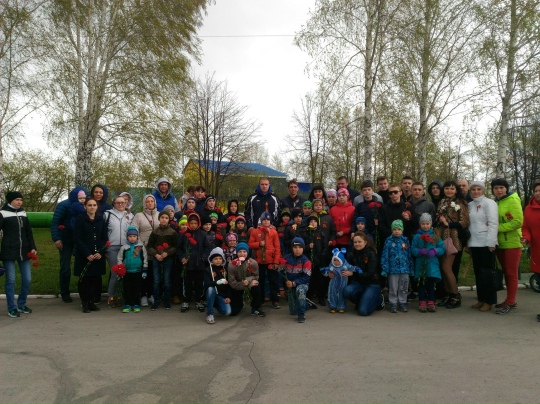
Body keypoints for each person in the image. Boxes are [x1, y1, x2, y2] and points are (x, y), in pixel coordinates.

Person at [1, 192, 37, 318]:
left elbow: (28, 232)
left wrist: (33, 247)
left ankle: (21, 304)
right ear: (10, 200)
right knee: (11, 280)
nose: (19, 202)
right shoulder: (3, 213)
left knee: (27, 279)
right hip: (8, 251)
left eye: (21, 200)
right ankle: (11, 308)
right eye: (17, 199)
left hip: (24, 251)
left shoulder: (23, 213)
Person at [51, 186, 89, 303]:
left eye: (84, 198)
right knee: (65, 267)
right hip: (66, 240)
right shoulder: (64, 205)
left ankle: (85, 292)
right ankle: (64, 292)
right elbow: (55, 222)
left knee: (83, 266)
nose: (82, 200)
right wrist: (57, 238)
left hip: (80, 240)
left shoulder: (87, 206)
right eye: (80, 197)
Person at [435, 180, 470, 309]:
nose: (449, 191)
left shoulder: (461, 202)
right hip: (441, 237)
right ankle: (448, 294)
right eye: (447, 188)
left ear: (456, 190)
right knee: (442, 268)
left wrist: (448, 223)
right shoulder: (442, 202)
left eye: (452, 188)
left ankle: (455, 295)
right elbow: (438, 216)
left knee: (447, 267)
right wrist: (439, 219)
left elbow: (465, 222)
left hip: (453, 238)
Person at [491, 178, 523, 314]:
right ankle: (510, 300)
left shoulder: (513, 200)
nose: (499, 190)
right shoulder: (496, 202)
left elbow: (518, 221)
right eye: (496, 188)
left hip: (513, 242)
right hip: (501, 243)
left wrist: (497, 228)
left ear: (506, 188)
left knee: (511, 273)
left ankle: (510, 301)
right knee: (506, 272)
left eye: (501, 187)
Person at [73, 197, 109, 313]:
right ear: (85, 207)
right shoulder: (80, 219)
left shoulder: (100, 219)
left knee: (95, 279)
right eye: (89, 205)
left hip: (97, 255)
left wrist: (100, 252)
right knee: (85, 279)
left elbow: (104, 238)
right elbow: (78, 238)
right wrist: (87, 253)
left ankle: (92, 302)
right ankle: (85, 302)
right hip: (84, 255)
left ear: (97, 207)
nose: (92, 207)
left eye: (94, 205)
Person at [467, 181, 498, 312]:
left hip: (486, 243)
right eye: (473, 189)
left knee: (487, 273)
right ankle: (481, 299)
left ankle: (489, 301)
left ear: (483, 190)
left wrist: (491, 242)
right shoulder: (470, 205)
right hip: (474, 242)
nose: (476, 192)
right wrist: (468, 243)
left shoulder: (489, 203)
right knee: (478, 272)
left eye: (478, 189)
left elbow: (493, 223)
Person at [344, 232, 384, 316]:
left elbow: (370, 273)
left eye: (359, 242)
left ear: (365, 242)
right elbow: (345, 267)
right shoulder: (352, 253)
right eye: (355, 242)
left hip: (372, 283)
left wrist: (353, 274)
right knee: (347, 291)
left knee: (363, 311)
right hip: (358, 283)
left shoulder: (371, 254)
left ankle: (379, 300)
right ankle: (362, 301)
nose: (357, 244)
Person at [411, 213, 445, 313]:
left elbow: (442, 248)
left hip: (432, 264)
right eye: (423, 224)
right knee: (421, 284)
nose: (425, 226)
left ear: (430, 224)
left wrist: (435, 251)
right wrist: (419, 251)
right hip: (421, 264)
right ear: (420, 224)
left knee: (430, 284)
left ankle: (431, 301)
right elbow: (413, 249)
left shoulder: (435, 235)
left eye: (427, 223)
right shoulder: (417, 236)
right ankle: (422, 301)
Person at [104, 195, 133, 308]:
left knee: (126, 272)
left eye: (123, 202)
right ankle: (111, 296)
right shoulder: (108, 215)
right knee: (115, 273)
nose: (120, 204)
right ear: (114, 204)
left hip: (126, 247)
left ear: (126, 204)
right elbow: (102, 231)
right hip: (112, 247)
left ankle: (122, 296)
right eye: (117, 202)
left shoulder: (130, 215)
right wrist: (104, 248)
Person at [178, 212, 210, 313]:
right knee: (187, 283)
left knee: (199, 284)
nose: (193, 225)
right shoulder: (184, 235)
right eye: (191, 223)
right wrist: (182, 258)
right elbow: (179, 248)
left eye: (195, 223)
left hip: (199, 264)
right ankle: (186, 301)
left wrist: (203, 257)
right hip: (187, 264)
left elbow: (207, 248)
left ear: (198, 223)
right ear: (188, 223)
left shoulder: (202, 234)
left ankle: (198, 301)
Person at [248, 211, 281, 308]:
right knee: (260, 280)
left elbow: (277, 247)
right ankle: (260, 299)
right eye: (264, 220)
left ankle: (275, 300)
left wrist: (276, 261)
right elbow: (250, 244)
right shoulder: (255, 231)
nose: (266, 221)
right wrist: (258, 244)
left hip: (271, 260)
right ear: (261, 221)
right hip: (259, 261)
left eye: (268, 220)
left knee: (273, 281)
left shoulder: (273, 232)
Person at [147, 210, 178, 310]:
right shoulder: (155, 232)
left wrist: (167, 253)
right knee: (156, 280)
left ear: (169, 219)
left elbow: (175, 246)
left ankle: (166, 300)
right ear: (159, 219)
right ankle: (156, 300)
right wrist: (156, 254)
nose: (164, 219)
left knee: (167, 280)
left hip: (168, 258)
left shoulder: (172, 232)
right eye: (162, 217)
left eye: (166, 218)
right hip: (156, 258)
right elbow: (149, 246)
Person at [131, 195, 159, 307]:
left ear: (155, 203)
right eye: (147, 201)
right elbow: (134, 231)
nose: (150, 203)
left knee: (153, 273)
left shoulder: (159, 215)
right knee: (143, 273)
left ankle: (151, 294)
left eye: (152, 201)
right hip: (142, 248)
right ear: (144, 203)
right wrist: (139, 245)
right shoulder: (139, 216)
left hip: (156, 249)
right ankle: (143, 295)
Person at [381, 220, 413, 313]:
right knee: (393, 287)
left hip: (404, 269)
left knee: (404, 287)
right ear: (392, 230)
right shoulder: (388, 241)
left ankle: (402, 302)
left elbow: (409, 255)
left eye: (399, 229)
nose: (397, 231)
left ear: (402, 230)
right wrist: (385, 269)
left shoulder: (405, 240)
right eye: (394, 229)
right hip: (393, 269)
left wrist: (411, 268)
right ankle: (393, 303)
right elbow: (385, 255)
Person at [227, 242, 265, 317]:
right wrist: (243, 284)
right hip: (237, 287)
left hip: (249, 284)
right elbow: (232, 283)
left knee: (256, 285)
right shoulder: (231, 265)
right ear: (236, 253)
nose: (242, 254)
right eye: (240, 252)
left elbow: (256, 276)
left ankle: (255, 308)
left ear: (247, 252)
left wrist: (248, 280)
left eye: (244, 251)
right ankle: (240, 303)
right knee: (233, 312)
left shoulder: (253, 263)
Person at [279, 237, 312, 323]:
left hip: (302, 284)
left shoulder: (306, 261)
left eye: (300, 247)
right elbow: (280, 273)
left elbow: (306, 277)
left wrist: (294, 283)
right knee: (293, 312)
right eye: (295, 247)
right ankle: (307, 304)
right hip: (290, 286)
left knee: (300, 290)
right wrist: (281, 288)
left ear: (303, 248)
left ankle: (301, 314)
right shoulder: (286, 259)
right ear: (292, 248)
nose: (297, 250)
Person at [117, 226, 148, 313]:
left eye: (134, 236)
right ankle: (127, 304)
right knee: (127, 288)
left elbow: (145, 258)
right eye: (130, 236)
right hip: (127, 272)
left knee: (136, 288)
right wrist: (120, 269)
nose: (132, 238)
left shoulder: (141, 247)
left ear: (137, 237)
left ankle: (136, 304)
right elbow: (119, 258)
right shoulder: (124, 247)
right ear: (127, 237)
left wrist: (144, 270)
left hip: (137, 271)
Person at [521, 180, 540, 320]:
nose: (538, 193)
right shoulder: (528, 209)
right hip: (537, 251)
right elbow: (525, 227)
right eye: (536, 191)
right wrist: (526, 238)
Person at [321, 247, 361, 313]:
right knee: (332, 293)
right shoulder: (332, 267)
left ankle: (341, 306)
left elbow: (352, 267)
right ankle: (332, 306)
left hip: (343, 283)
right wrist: (324, 272)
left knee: (341, 294)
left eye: (338, 260)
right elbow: (326, 271)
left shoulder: (345, 266)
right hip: (333, 283)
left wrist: (357, 269)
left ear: (341, 260)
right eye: (334, 260)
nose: (336, 262)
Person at [301, 214, 328, 306]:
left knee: (320, 279)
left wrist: (322, 256)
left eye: (315, 221)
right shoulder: (305, 233)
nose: (313, 223)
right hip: (308, 260)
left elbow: (325, 246)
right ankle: (309, 296)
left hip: (319, 260)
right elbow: (302, 247)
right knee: (310, 279)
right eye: (311, 221)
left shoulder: (321, 233)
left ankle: (321, 297)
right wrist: (308, 247)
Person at [203, 247, 232, 324]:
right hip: (212, 292)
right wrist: (216, 282)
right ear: (211, 260)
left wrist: (228, 296)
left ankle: (215, 307)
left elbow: (228, 285)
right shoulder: (208, 269)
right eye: (215, 259)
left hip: (221, 294)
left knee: (227, 312)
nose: (218, 260)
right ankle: (210, 314)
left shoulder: (225, 269)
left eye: (220, 258)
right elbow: (206, 284)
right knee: (210, 289)